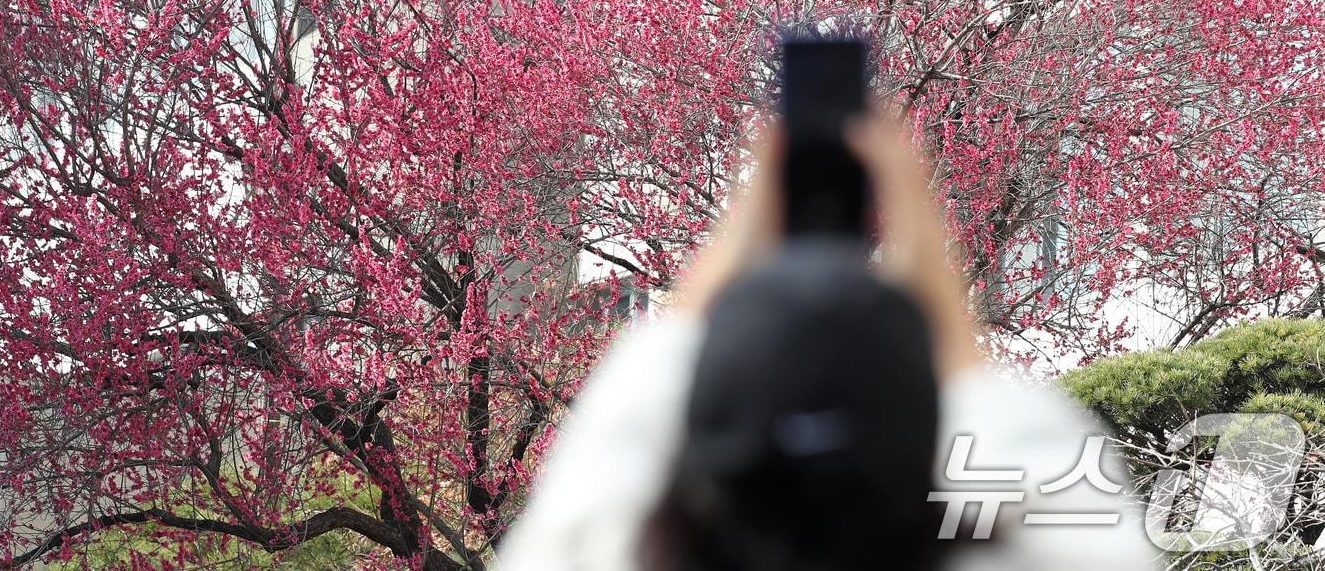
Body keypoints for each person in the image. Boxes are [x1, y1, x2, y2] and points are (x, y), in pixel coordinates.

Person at [495, 111, 1156, 571]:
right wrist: (931, 264)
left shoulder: (612, 538)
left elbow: (599, 487)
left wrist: (738, 227)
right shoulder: (1014, 535)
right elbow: (1058, 499)